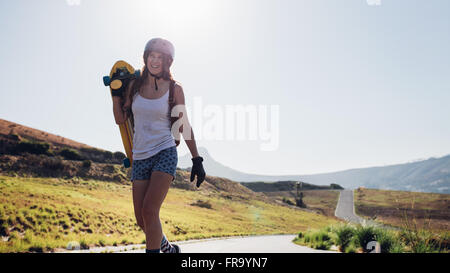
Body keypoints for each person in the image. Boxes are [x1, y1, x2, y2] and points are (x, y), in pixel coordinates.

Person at [112, 38, 206, 253]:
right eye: (152, 56)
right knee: (141, 218)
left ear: (167, 62)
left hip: (164, 151)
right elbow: (120, 119)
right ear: (146, 58)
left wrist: (196, 159)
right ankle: (169, 249)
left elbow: (183, 125)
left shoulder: (174, 89)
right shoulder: (135, 86)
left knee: (150, 210)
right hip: (140, 155)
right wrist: (117, 96)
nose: (155, 61)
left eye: (160, 58)